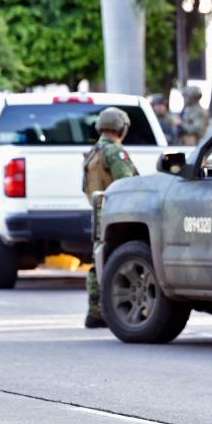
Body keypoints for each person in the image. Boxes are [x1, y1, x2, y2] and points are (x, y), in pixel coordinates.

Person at [82, 107, 139, 329]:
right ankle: (109, 310)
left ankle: (95, 310)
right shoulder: (115, 152)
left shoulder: (93, 153)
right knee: (115, 259)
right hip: (116, 212)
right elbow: (127, 184)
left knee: (99, 258)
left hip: (98, 210)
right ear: (121, 128)